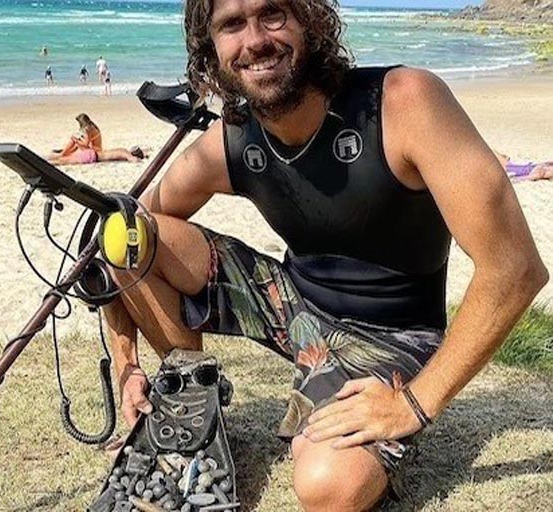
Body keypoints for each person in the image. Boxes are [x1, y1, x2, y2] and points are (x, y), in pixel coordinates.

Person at [103, 0, 548, 510]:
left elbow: (514, 267)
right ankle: (191, 407)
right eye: (232, 24)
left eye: (272, 13)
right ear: (211, 47)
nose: (255, 40)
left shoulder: (403, 104)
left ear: (309, 20)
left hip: (395, 337)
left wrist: (413, 405)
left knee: (327, 484)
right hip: (292, 307)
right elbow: (124, 234)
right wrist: (127, 364)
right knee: (133, 234)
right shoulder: (235, 137)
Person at [47, 113, 145, 165]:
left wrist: (135, 159)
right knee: (66, 159)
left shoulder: (124, 152)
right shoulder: (123, 151)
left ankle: (58, 155)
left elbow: (132, 158)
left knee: (66, 158)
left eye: (134, 150)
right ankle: (57, 156)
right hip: (93, 154)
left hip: (93, 154)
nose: (132, 149)